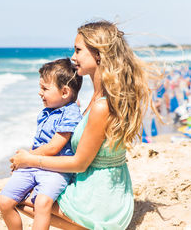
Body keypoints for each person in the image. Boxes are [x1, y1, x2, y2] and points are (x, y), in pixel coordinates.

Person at [10, 20, 159, 230]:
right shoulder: (98, 97)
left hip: (98, 197)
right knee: (21, 196)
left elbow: (79, 163)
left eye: (78, 50)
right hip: (100, 187)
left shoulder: (101, 105)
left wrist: (31, 160)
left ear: (98, 54)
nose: (73, 57)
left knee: (16, 198)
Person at [0, 58, 83, 230]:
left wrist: (26, 158)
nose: (40, 92)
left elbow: (54, 147)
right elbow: (39, 142)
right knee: (4, 201)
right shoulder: (47, 111)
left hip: (55, 169)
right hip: (33, 165)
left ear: (65, 92)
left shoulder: (71, 113)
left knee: (42, 203)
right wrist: (23, 162)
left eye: (45, 88)